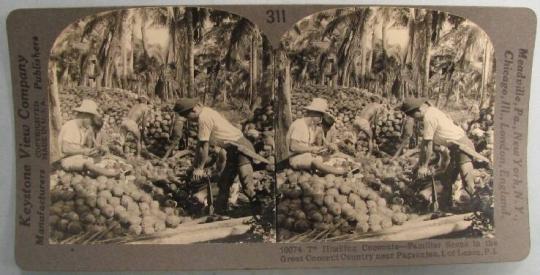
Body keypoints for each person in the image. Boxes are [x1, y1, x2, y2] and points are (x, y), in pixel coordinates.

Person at [173, 98, 261, 216]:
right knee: (224, 183)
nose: (189, 120)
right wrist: (195, 166)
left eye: (187, 116)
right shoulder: (206, 112)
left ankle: (260, 212)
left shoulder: (204, 118)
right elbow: (199, 145)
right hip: (233, 150)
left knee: (247, 185)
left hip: (242, 148)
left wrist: (199, 168)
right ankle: (220, 212)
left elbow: (204, 146)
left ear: (193, 110)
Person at [401, 98, 478, 209]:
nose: (415, 120)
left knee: (468, 182)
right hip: (455, 148)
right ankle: (446, 206)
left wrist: (424, 166)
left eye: (414, 116)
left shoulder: (429, 117)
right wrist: (420, 164)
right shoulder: (432, 111)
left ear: (418, 110)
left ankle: (478, 210)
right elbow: (424, 145)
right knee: (447, 179)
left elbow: (428, 145)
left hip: (463, 147)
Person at [58, 99, 118, 177]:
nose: (91, 123)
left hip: (77, 157)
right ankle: (111, 174)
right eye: (91, 120)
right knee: (87, 164)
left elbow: (79, 148)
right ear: (85, 115)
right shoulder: (70, 126)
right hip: (67, 159)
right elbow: (65, 149)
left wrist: (91, 151)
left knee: (100, 158)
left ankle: (107, 170)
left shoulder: (81, 129)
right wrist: (83, 151)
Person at [286, 98, 348, 175]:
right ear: (314, 114)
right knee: (316, 162)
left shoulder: (311, 128)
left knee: (328, 157)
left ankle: (341, 167)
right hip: (295, 158)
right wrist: (311, 149)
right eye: (320, 116)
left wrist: (324, 148)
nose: (321, 119)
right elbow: (293, 147)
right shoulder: (299, 125)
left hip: (305, 155)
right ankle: (339, 172)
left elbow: (312, 145)